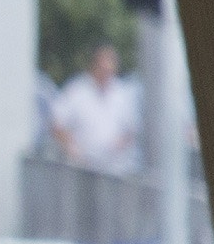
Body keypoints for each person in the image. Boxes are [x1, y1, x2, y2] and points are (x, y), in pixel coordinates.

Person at [49, 41, 144, 175]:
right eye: (103, 66)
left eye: (110, 67)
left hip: (114, 171)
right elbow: (57, 124)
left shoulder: (122, 94)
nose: (107, 71)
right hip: (81, 169)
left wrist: (117, 147)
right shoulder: (76, 90)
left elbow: (132, 130)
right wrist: (72, 148)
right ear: (94, 65)